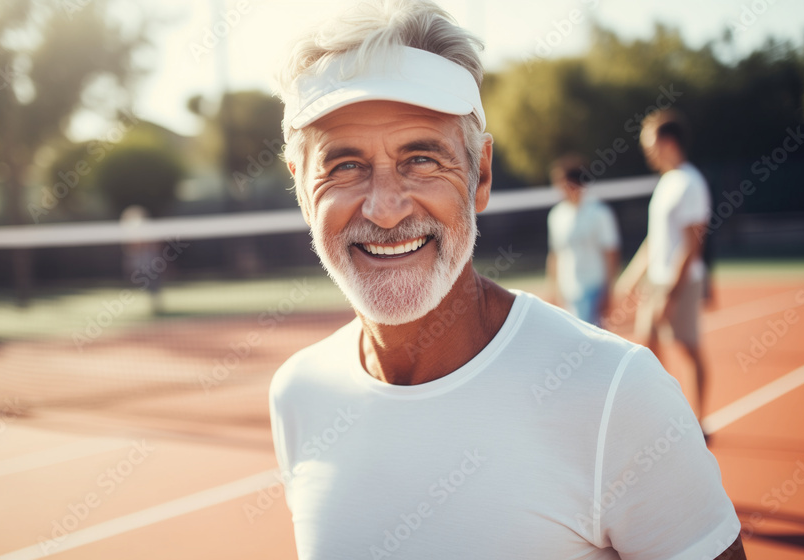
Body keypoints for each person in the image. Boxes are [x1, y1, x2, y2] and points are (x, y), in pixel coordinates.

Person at [269, 1, 744, 558]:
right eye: (344, 165)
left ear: (481, 174)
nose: (386, 208)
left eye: (421, 158)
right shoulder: (297, 396)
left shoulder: (618, 393)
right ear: (301, 187)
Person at [615, 110, 712, 426]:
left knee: (688, 348)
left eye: (650, 143)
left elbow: (692, 245)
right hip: (656, 281)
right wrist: (632, 277)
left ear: (668, 142)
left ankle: (699, 421)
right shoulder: (666, 183)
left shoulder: (690, 183)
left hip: (679, 282)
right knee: (648, 346)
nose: (647, 151)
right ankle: (666, 414)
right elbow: (655, 240)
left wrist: (672, 293)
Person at [546, 155, 621, 326]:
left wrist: (607, 290)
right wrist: (553, 288)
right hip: (568, 290)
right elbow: (555, 254)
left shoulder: (599, 212)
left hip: (593, 286)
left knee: (591, 342)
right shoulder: (556, 215)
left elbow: (611, 252)